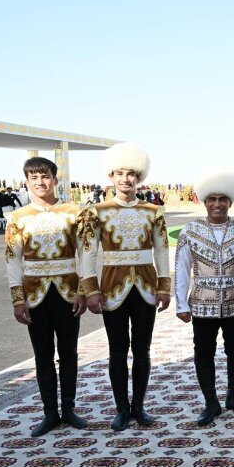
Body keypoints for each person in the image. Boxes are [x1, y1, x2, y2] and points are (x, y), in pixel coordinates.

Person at [79, 143, 171, 431]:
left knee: (142, 350)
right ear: (111, 176)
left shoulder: (153, 211)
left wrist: (164, 286)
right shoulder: (96, 211)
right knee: (117, 351)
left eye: (131, 173)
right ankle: (121, 409)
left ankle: (139, 407)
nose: (125, 179)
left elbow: (162, 251)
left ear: (139, 177)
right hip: (111, 288)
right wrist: (91, 290)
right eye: (119, 173)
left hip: (146, 287)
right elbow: (88, 253)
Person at [5, 157, 88, 437]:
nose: (40, 183)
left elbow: (86, 253)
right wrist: (18, 298)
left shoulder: (74, 212)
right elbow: (12, 259)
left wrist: (83, 290)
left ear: (55, 180)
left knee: (69, 353)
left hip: (68, 293)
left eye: (45, 177)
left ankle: (69, 410)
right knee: (43, 355)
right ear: (27, 182)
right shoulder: (18, 217)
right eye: (34, 178)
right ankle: (50, 413)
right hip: (34, 295)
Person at [174, 168, 234, 426]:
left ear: (230, 202)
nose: (217, 204)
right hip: (202, 304)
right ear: (205, 202)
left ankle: (232, 397)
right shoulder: (190, 231)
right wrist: (181, 303)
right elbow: (181, 268)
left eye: (223, 199)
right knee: (203, 352)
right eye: (212, 199)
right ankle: (211, 402)